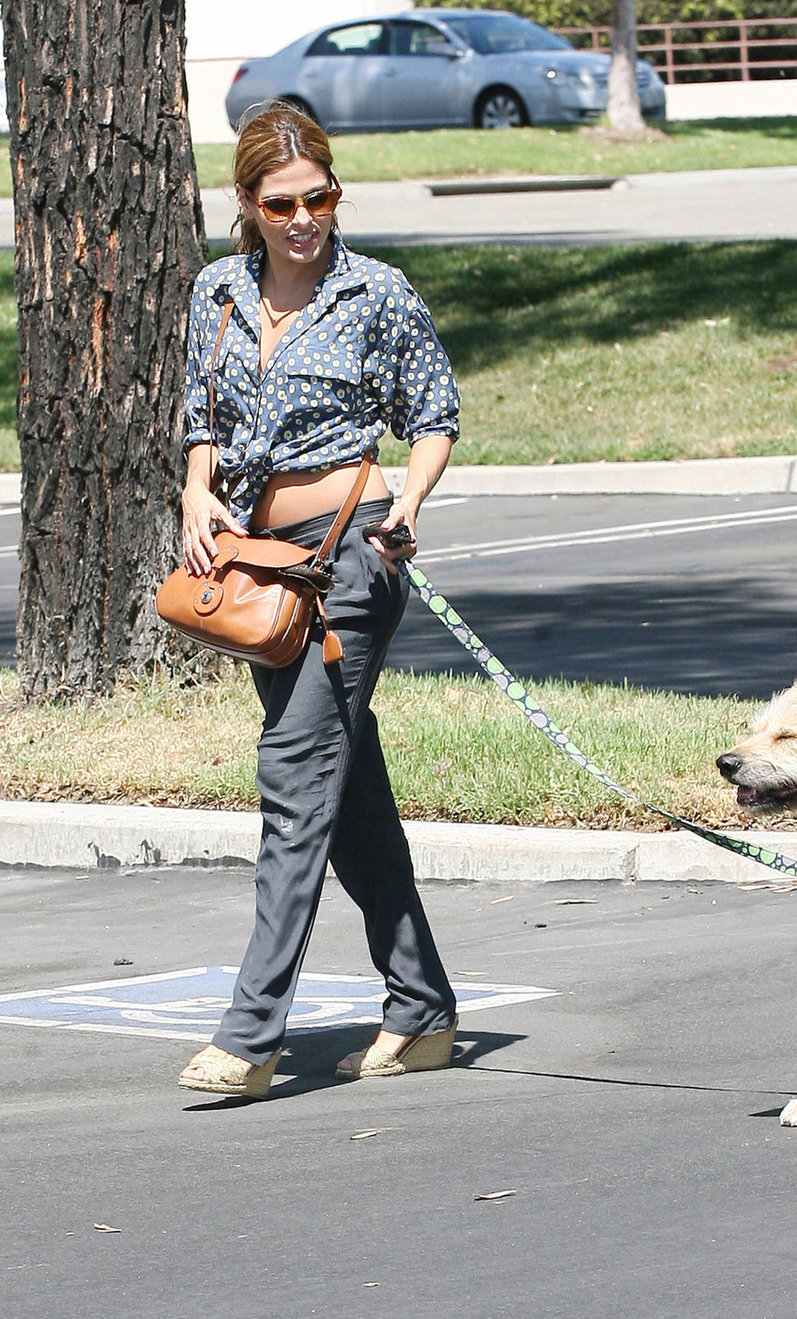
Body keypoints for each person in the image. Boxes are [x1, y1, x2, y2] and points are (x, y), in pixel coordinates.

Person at [176, 101, 460, 1099]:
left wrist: (411, 505)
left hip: (351, 556)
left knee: (297, 771)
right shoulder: (217, 291)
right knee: (346, 794)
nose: (306, 219)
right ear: (247, 205)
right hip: (258, 568)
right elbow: (199, 417)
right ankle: (422, 1007)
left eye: (321, 198)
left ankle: (252, 1035)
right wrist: (195, 496)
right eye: (284, 203)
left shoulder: (376, 294)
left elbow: (435, 414)